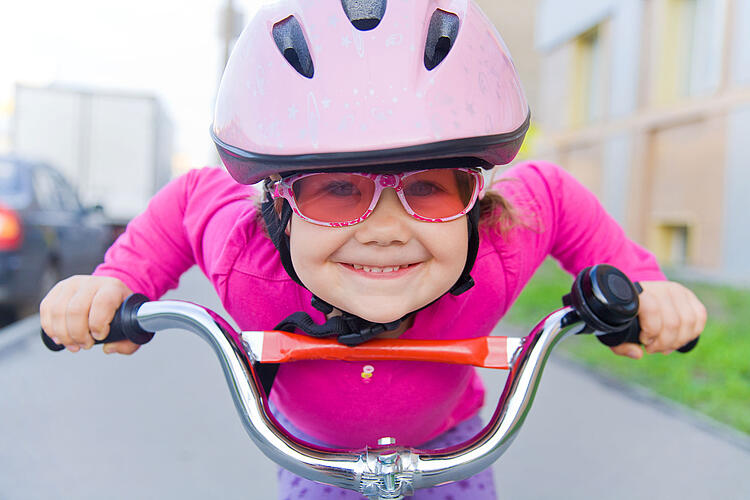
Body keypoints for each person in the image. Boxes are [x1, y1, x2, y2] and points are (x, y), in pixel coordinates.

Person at [39, 1, 706, 498]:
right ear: (277, 203)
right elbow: (190, 200)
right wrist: (119, 281)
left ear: (479, 199)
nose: (386, 230)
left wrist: (645, 287)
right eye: (337, 190)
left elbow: (555, 194)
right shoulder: (248, 260)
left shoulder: (499, 245)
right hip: (317, 458)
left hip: (452, 447)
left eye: (428, 188)